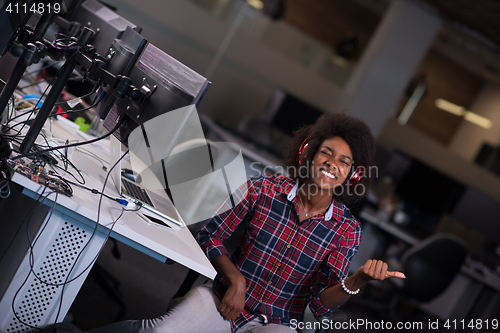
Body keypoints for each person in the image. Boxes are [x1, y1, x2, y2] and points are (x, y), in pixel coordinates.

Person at [88, 113, 404, 333]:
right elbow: (210, 234)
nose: (332, 164)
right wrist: (235, 280)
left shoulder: (346, 230)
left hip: (278, 323)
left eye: (344, 162)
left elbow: (321, 305)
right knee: (159, 331)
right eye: (327, 153)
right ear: (308, 153)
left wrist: (357, 280)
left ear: (353, 174)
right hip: (223, 300)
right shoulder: (262, 188)